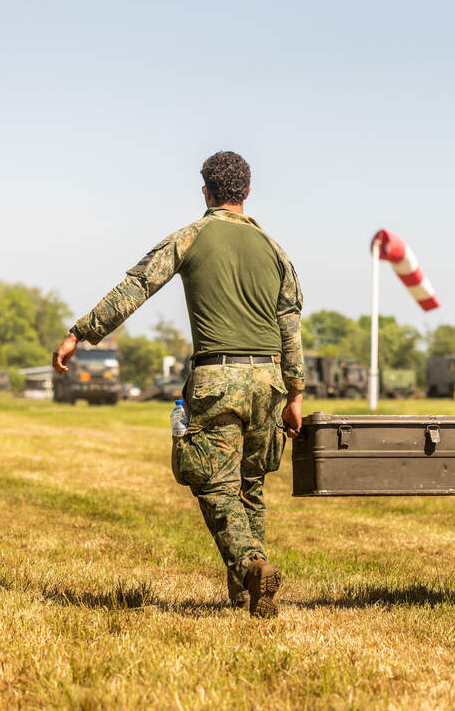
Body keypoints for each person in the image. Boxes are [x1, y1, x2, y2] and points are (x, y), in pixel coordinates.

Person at [52, 151, 304, 618]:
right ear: (247, 192)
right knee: (250, 484)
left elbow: (137, 287)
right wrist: (295, 393)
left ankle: (252, 565)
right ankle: (248, 593)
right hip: (269, 379)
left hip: (218, 377)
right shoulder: (275, 249)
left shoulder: (191, 237)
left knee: (213, 481)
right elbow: (290, 322)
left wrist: (79, 334)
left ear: (206, 190)